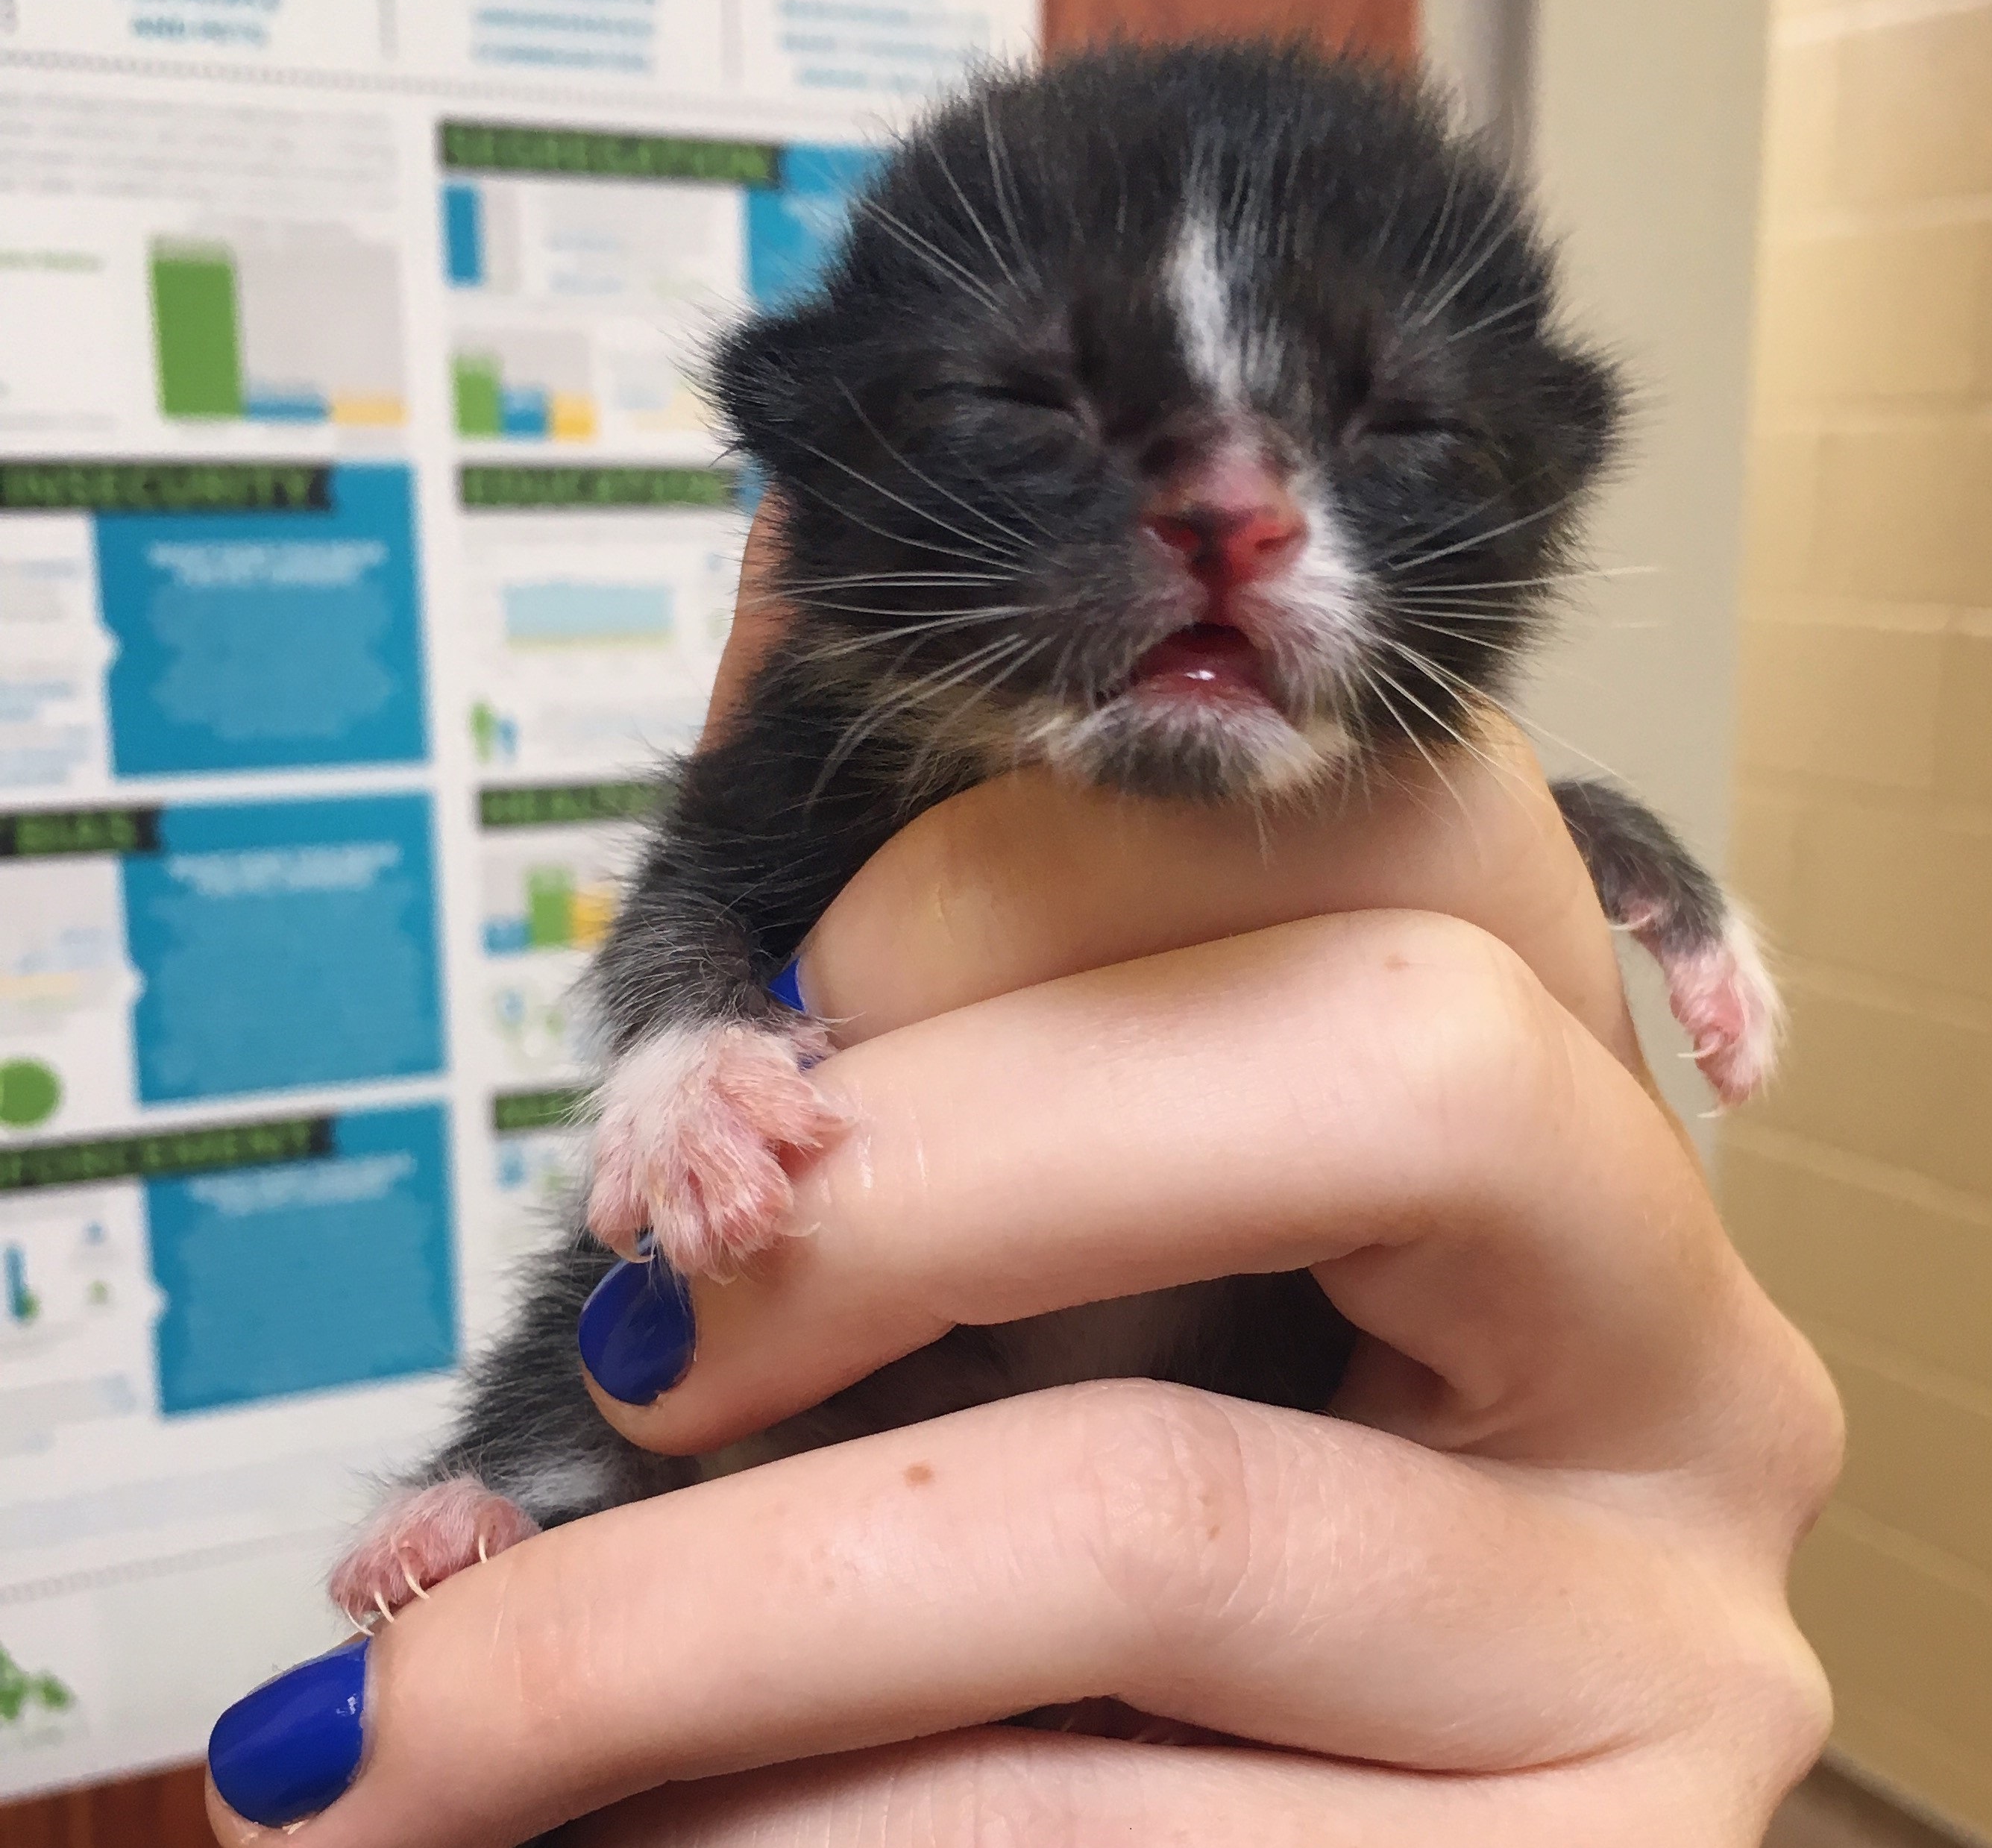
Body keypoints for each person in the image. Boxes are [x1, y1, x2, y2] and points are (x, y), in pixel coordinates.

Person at [204, 510, 1841, 1846]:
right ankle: (524, 1493)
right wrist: (694, 1045)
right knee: (646, 1305)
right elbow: (697, 927)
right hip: (757, 1431)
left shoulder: (1375, 761)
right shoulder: (846, 740)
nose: (1214, 530)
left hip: (1192, 1486)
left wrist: (1597, 845)